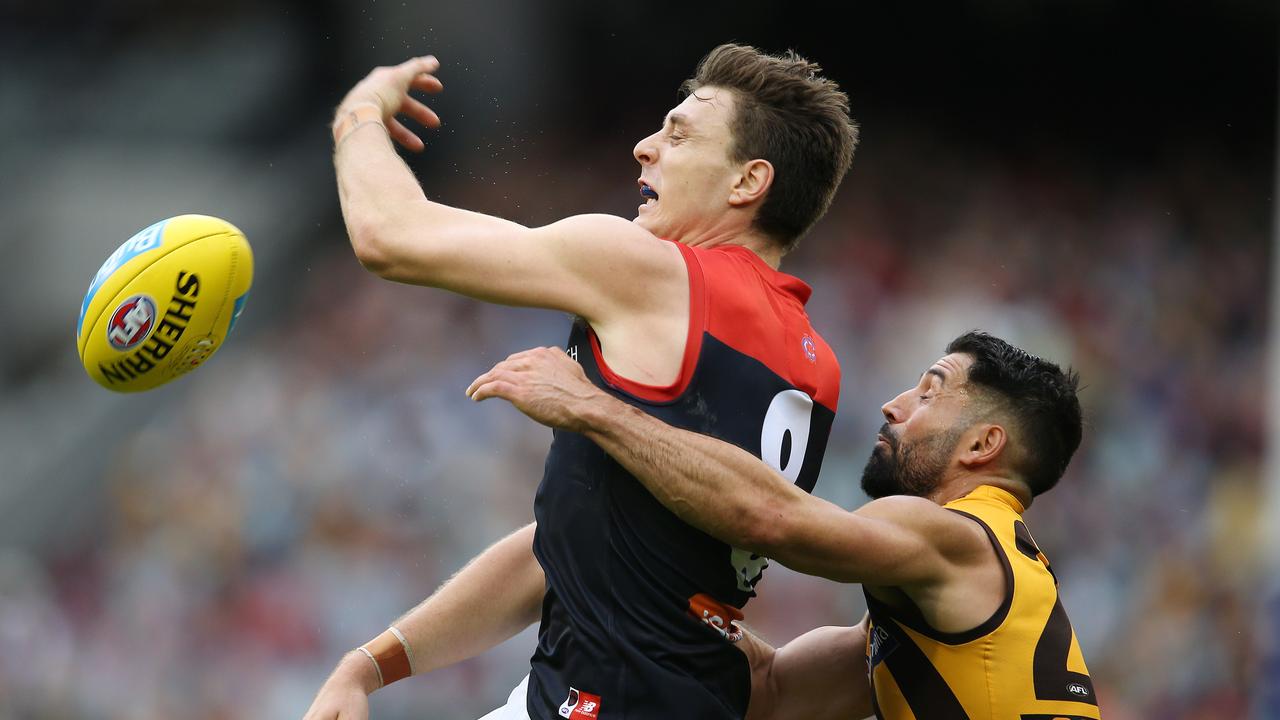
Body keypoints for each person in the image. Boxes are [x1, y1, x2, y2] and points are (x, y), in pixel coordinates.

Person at [305, 44, 858, 719]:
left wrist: (358, 114)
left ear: (747, 183)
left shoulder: (649, 269)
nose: (643, 148)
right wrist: (369, 666)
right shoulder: (816, 367)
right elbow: (572, 545)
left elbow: (389, 236)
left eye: (679, 134)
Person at [467, 331, 1101, 719]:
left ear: (983, 445)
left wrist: (591, 408)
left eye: (930, 392)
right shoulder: (974, 601)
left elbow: (774, 520)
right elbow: (771, 694)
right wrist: (652, 593)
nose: (894, 404)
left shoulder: (949, 536)